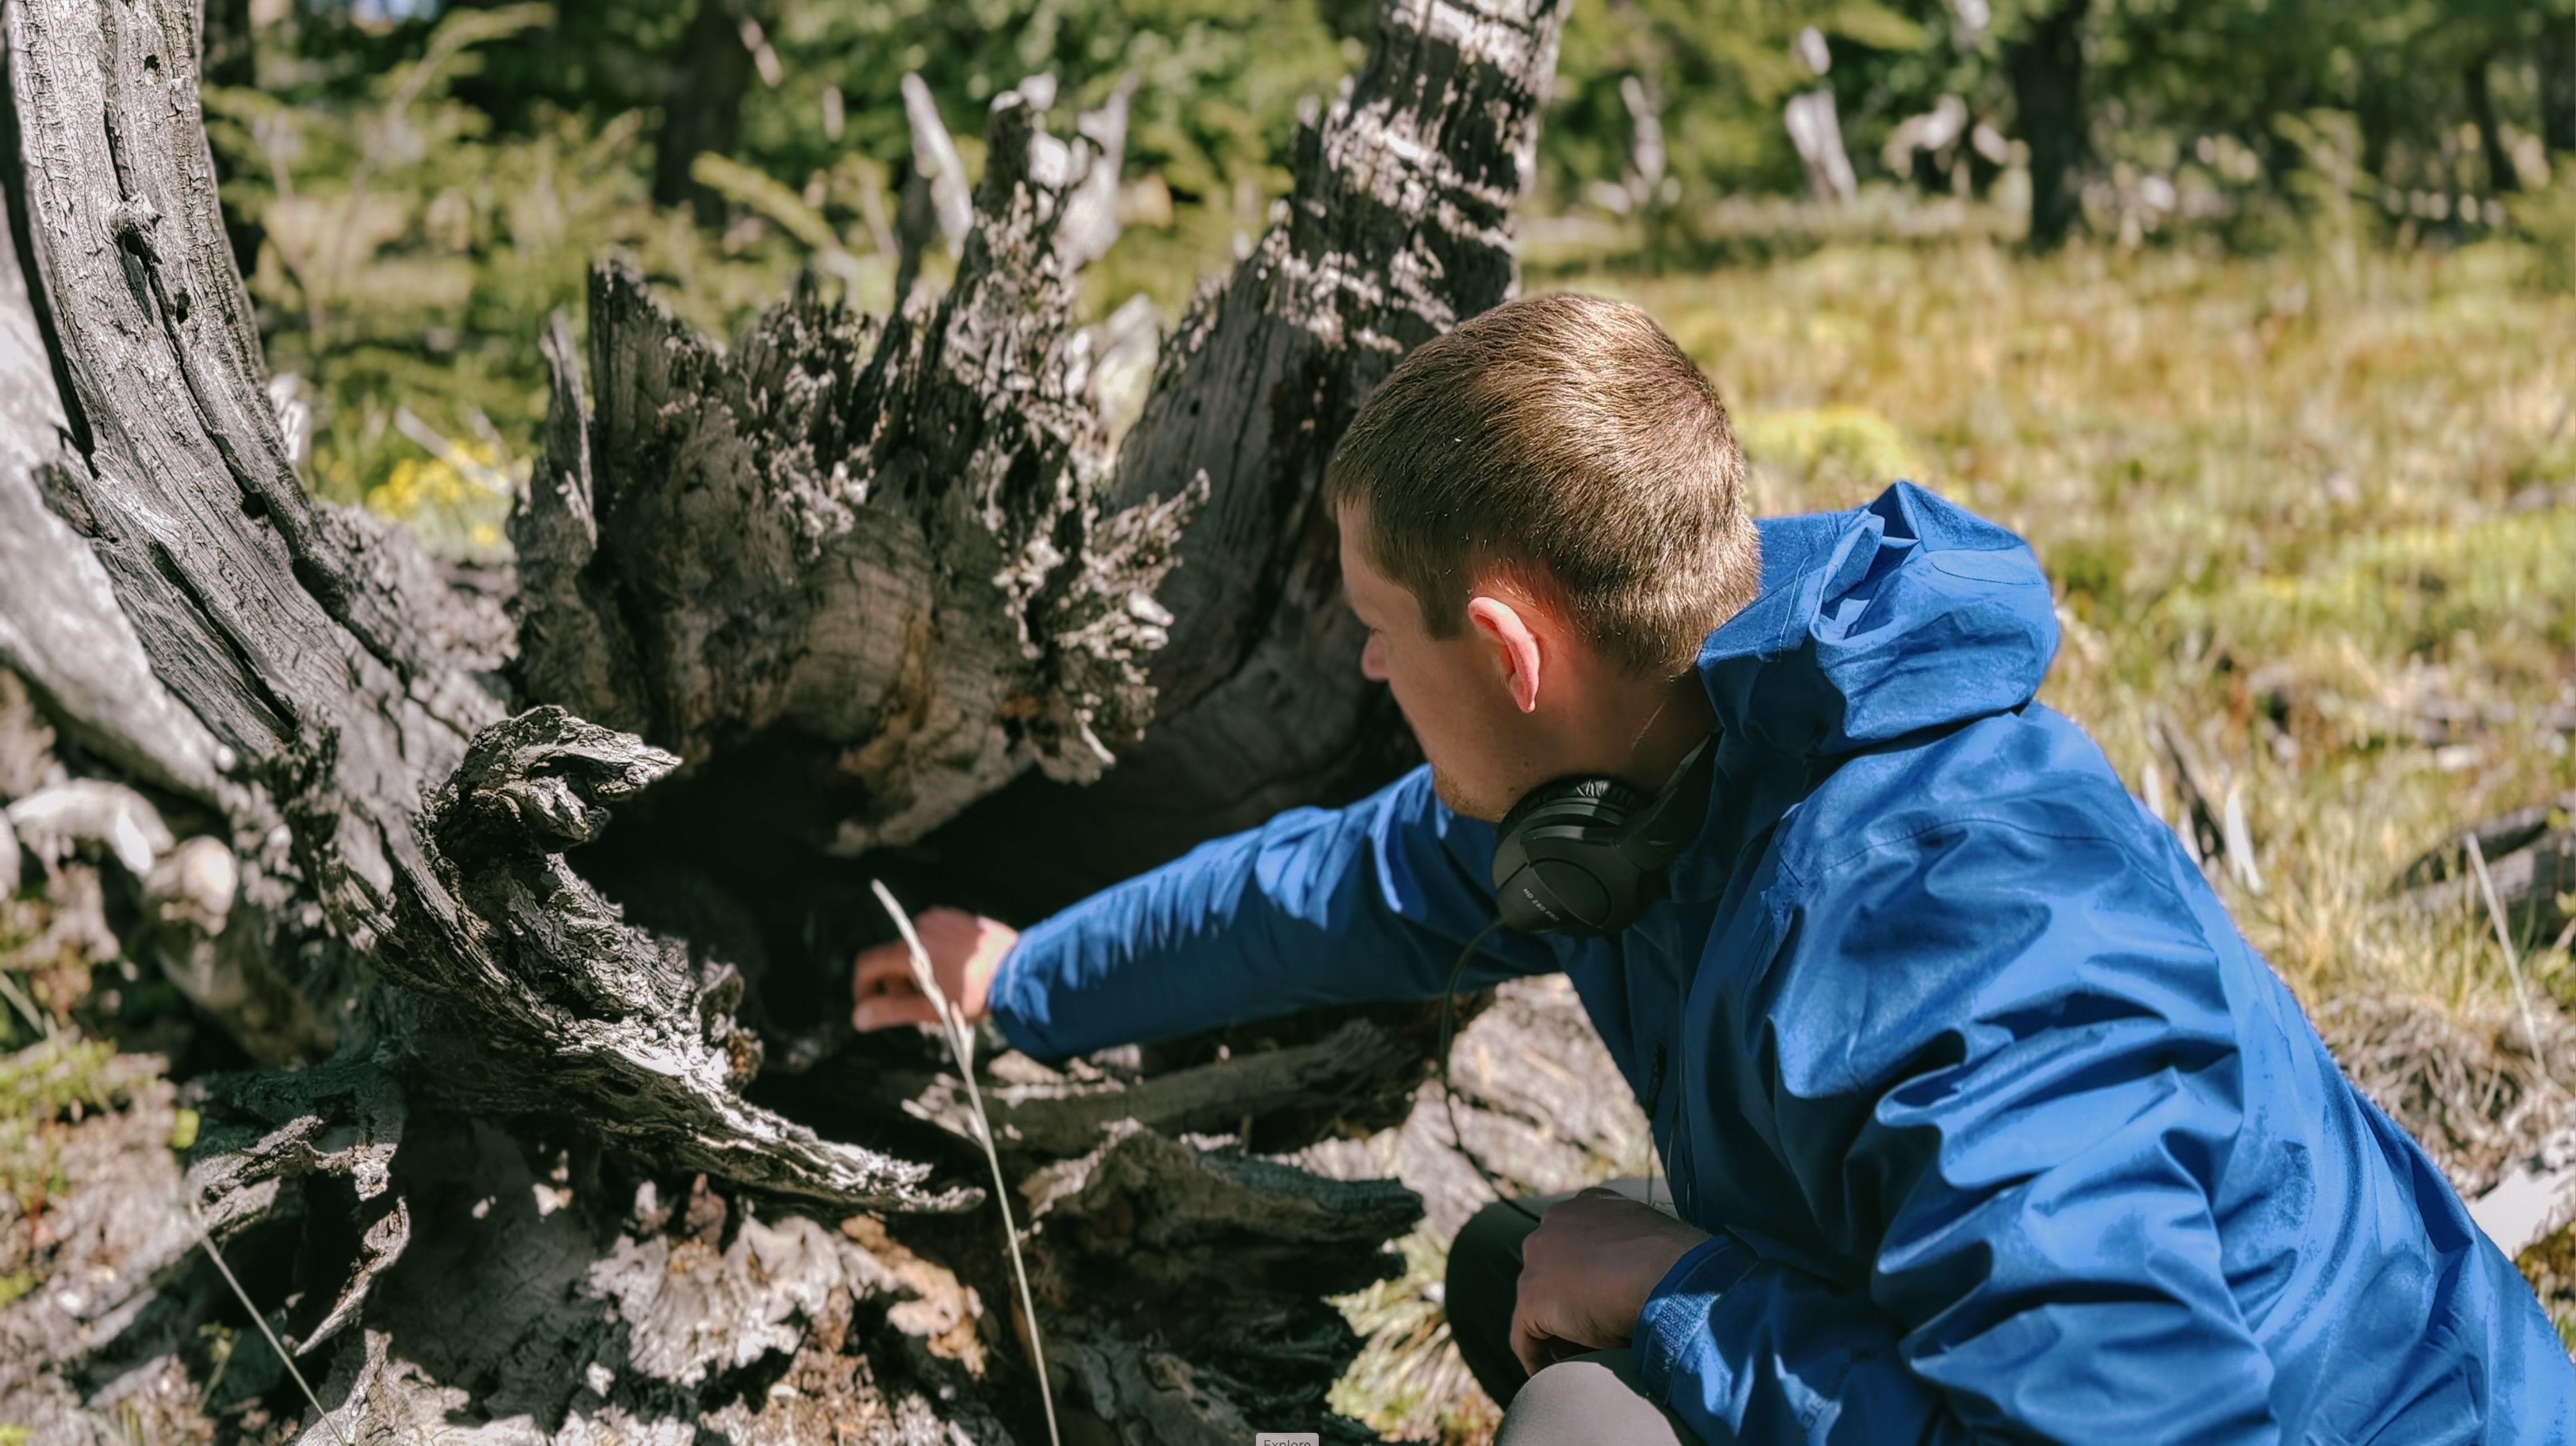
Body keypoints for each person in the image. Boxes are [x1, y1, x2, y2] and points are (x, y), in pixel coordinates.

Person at [853, 294, 2573, 1443]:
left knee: (1583, 1412)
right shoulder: (1663, 727)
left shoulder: (1966, 930)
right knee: (1520, 1279)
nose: (1370, 676)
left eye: (1381, 631)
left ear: (1512, 649)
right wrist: (1020, 980)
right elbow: (1327, 890)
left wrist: (1686, 1298)